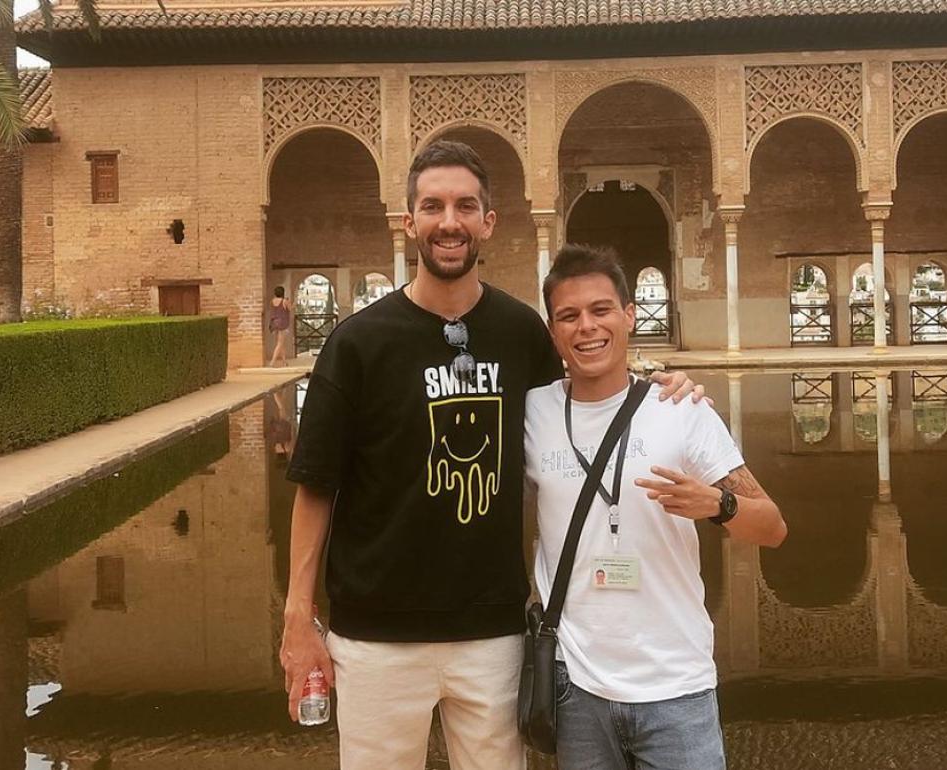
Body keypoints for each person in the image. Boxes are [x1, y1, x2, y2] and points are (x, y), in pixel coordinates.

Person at [278, 140, 702, 770]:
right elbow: (317, 486)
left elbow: (586, 397)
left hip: (493, 635)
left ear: (488, 222)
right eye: (433, 206)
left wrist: (663, 386)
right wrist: (297, 619)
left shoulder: (520, 332)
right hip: (375, 635)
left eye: (465, 206)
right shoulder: (358, 343)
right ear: (408, 222)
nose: (449, 221)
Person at [525, 244, 788, 770]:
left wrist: (718, 503)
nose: (587, 328)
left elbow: (774, 528)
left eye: (601, 310)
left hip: (676, 688)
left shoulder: (681, 410)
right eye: (568, 316)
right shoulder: (534, 411)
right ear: (553, 332)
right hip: (577, 688)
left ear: (628, 316)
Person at [267, 285, 292, 366]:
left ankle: (284, 362)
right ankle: (272, 362)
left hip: (274, 323)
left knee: (280, 343)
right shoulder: (284, 301)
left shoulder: (272, 301)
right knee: (280, 343)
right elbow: (290, 309)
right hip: (282, 323)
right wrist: (294, 303)